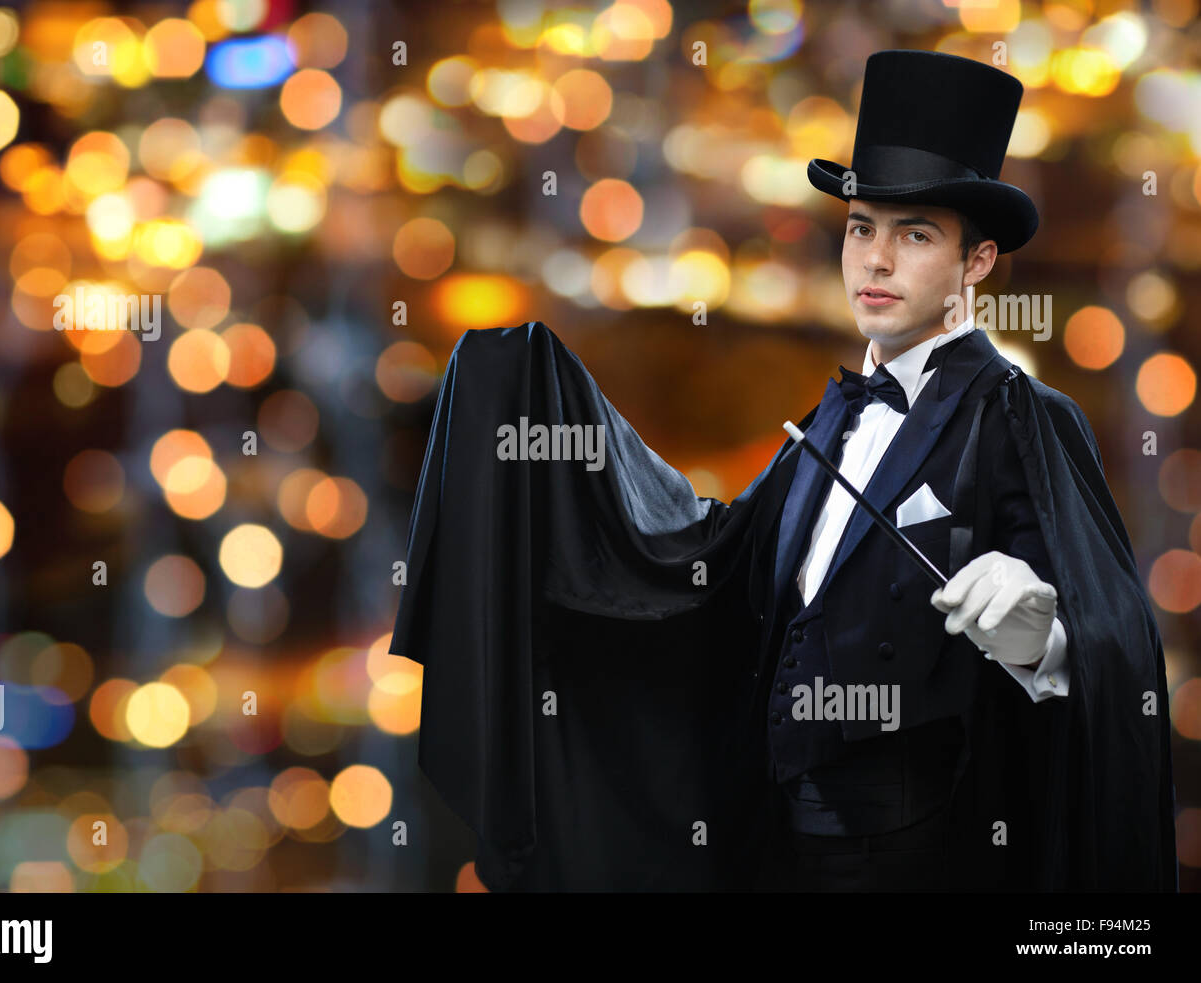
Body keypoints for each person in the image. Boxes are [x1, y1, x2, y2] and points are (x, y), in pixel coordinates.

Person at [389, 50, 1177, 892]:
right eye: (860, 228)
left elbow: (1114, 645)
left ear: (977, 262)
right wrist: (537, 401)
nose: (875, 260)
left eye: (914, 235)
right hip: (776, 855)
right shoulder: (831, 417)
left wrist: (1041, 639)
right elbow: (713, 554)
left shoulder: (1022, 415)